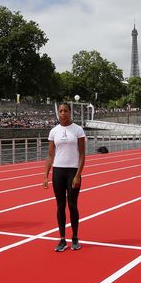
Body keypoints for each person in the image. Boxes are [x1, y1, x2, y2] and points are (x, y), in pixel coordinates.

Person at [43, 102, 86, 251]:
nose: (63, 113)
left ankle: (75, 237)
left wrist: (78, 175)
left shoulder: (78, 130)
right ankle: (62, 239)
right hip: (58, 171)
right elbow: (50, 155)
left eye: (65, 111)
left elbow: (82, 154)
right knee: (60, 205)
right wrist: (46, 175)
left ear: (70, 112)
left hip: (73, 171)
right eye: (60, 111)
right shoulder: (54, 131)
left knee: (72, 205)